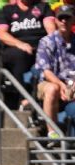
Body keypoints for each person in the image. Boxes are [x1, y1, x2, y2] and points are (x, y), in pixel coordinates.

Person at [0, 0, 57, 104]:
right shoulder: (7, 10)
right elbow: (1, 34)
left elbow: (50, 27)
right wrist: (20, 44)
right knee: (19, 55)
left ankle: (38, 96)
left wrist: (51, 44)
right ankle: (23, 95)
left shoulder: (42, 6)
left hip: (39, 48)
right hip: (15, 48)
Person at [35, 5, 75, 138]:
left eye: (67, 18)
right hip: (50, 82)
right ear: (56, 21)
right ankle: (52, 131)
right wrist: (62, 86)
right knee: (53, 88)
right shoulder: (46, 42)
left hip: (72, 84)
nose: (64, 21)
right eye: (61, 18)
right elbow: (46, 71)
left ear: (73, 20)